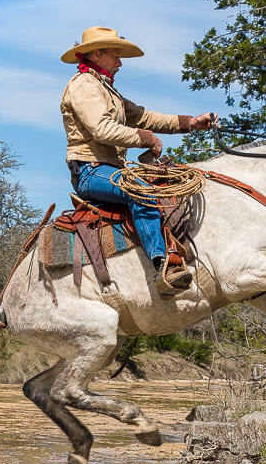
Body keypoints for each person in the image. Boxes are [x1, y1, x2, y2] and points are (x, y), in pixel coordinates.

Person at [60, 26, 215, 296]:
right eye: (115, 56)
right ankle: (163, 266)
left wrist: (189, 123)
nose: (120, 63)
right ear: (96, 54)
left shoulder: (107, 90)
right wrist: (146, 139)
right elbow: (102, 129)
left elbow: (145, 117)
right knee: (140, 190)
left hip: (109, 170)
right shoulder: (84, 86)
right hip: (89, 171)